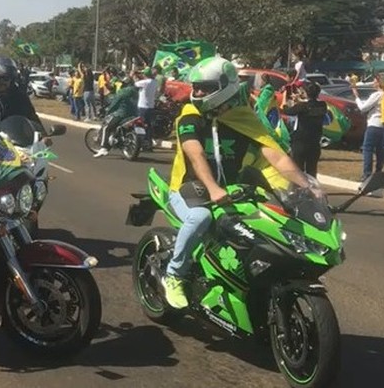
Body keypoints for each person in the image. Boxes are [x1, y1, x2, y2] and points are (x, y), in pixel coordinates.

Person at [162, 57, 307, 309]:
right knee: (200, 218)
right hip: (189, 190)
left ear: (225, 86)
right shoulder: (190, 115)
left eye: (204, 88)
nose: (196, 93)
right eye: (195, 87)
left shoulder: (243, 118)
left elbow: (275, 156)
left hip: (232, 193)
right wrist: (213, 188)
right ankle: (174, 274)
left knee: (266, 226)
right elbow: (194, 154)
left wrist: (306, 186)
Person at [0, 56, 44, 130]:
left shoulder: (20, 97)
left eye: (6, 78)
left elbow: (32, 117)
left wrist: (43, 135)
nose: (2, 82)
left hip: (15, 139)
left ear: (12, 79)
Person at [282, 82, 328, 177]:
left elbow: (287, 111)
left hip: (300, 142)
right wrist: (299, 100)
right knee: (312, 170)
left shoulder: (302, 107)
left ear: (306, 93)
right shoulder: (323, 105)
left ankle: (299, 189)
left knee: (298, 170)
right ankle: (312, 189)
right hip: (314, 142)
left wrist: (284, 98)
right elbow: (310, 105)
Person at [93, 76, 138, 157]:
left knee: (106, 128)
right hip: (134, 114)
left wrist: (108, 112)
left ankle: (103, 148)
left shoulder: (123, 92)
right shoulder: (136, 91)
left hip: (122, 114)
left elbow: (114, 104)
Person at [133, 67, 158, 149]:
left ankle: (142, 143)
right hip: (151, 106)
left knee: (141, 125)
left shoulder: (144, 82)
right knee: (149, 126)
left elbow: (135, 84)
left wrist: (134, 76)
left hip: (142, 107)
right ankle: (149, 143)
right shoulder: (154, 82)